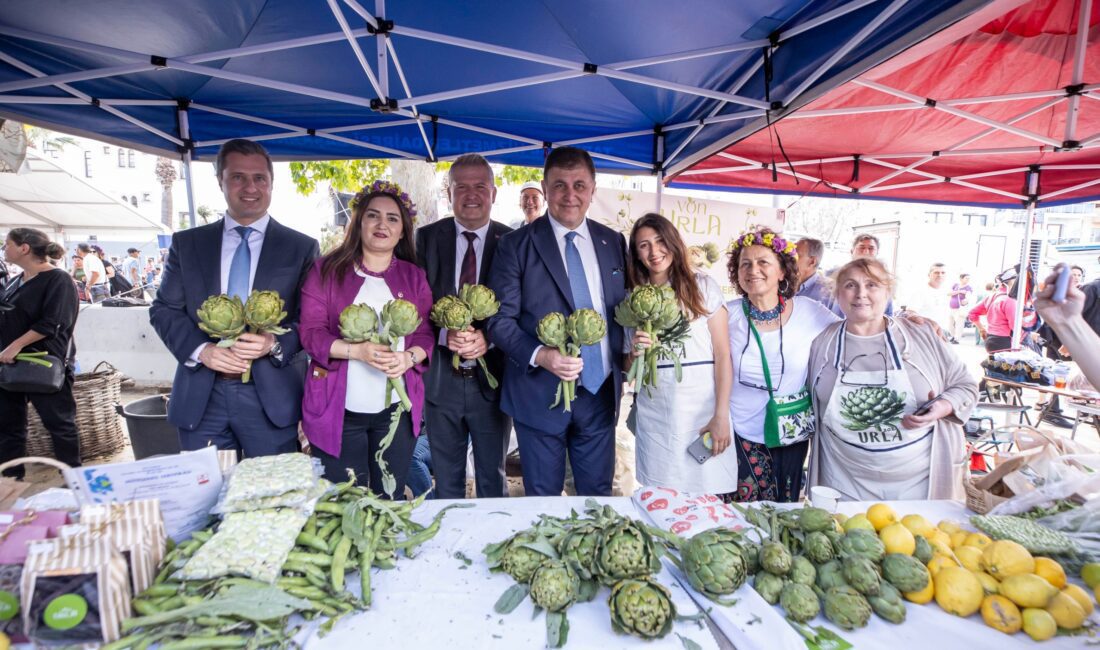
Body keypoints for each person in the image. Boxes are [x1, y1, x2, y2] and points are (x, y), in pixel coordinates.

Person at [149, 139, 320, 456]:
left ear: (271, 183)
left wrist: (273, 343)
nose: (250, 187)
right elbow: (164, 310)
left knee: (271, 501)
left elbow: (312, 320)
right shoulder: (188, 244)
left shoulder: (301, 247)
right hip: (202, 396)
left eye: (260, 178)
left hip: (271, 399)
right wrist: (202, 351)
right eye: (238, 177)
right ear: (220, 181)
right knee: (203, 500)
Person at [487, 146, 627, 497]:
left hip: (599, 396)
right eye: (560, 185)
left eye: (579, 185)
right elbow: (499, 322)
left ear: (593, 189)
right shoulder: (515, 245)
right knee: (544, 503)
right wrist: (541, 355)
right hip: (538, 397)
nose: (570, 195)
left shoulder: (614, 242)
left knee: (598, 500)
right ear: (545, 188)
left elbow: (622, 311)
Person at [299, 180, 433, 495]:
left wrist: (407, 357)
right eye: (373, 215)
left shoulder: (414, 277)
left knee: (390, 496)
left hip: (396, 412)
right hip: (338, 410)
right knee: (345, 501)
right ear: (359, 222)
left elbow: (427, 332)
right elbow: (310, 332)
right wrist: (355, 352)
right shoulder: (326, 271)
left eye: (392, 218)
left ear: (403, 230)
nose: (381, 224)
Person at [807, 258, 978, 500]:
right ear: (837, 293)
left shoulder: (921, 334)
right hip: (844, 483)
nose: (860, 294)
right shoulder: (820, 343)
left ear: (888, 291)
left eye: (872, 285)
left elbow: (966, 385)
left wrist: (943, 406)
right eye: (850, 285)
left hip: (920, 485)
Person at [416, 154, 513, 499]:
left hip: (494, 384)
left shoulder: (514, 241)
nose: (471, 194)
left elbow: (522, 312)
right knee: (446, 478)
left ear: (494, 192)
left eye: (480, 186)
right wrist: (445, 333)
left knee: (492, 478)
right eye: (462, 187)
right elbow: (414, 307)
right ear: (449, 192)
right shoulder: (424, 240)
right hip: (441, 380)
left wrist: (491, 339)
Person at [626, 213, 735, 493]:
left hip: (702, 411)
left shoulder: (703, 287)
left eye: (660, 241)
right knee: (661, 500)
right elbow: (627, 369)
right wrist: (636, 353)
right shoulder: (632, 298)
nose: (654, 252)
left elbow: (723, 355)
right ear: (636, 254)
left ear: (672, 242)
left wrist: (721, 415)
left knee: (706, 500)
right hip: (655, 414)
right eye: (644, 245)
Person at [726, 228, 837, 502]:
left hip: (791, 432)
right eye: (745, 264)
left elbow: (856, 330)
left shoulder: (809, 311)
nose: (754, 270)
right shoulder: (726, 314)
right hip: (739, 432)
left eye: (763, 262)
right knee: (743, 515)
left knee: (784, 512)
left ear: (782, 271)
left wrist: (904, 323)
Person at [0, 228, 80, 477]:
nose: (4, 249)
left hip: (44, 364)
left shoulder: (58, 279)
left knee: (60, 425)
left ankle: (73, 479)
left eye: (7, 244)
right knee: (9, 427)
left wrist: (16, 345)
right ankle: (13, 480)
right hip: (10, 364)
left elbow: (53, 323)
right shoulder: (17, 280)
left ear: (24, 248)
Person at [1036, 264, 1100, 391]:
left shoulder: (1090, 287)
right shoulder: (1091, 288)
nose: (1076, 277)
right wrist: (1069, 325)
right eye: (1073, 275)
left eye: (1078, 275)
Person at [828, 233, 893, 317]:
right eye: (861, 247)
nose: (866, 252)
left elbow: (888, 314)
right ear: (852, 251)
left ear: (877, 252)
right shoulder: (833, 275)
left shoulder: (883, 279)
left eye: (871, 248)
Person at [903, 263, 953, 342]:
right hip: (925, 334)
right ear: (929, 274)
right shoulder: (920, 291)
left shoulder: (945, 291)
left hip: (943, 333)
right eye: (936, 272)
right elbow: (910, 312)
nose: (940, 275)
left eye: (943, 273)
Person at [794, 237, 834, 312]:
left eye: (795, 255)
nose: (789, 258)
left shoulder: (829, 292)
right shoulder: (781, 282)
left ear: (812, 262)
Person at [948, 273, 973, 344]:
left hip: (960, 309)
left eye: (969, 278)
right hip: (951, 307)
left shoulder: (968, 287)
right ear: (961, 278)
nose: (968, 280)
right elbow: (948, 293)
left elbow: (969, 297)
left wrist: (966, 301)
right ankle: (953, 336)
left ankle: (957, 339)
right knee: (950, 324)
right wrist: (959, 291)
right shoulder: (955, 285)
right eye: (966, 278)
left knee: (959, 324)